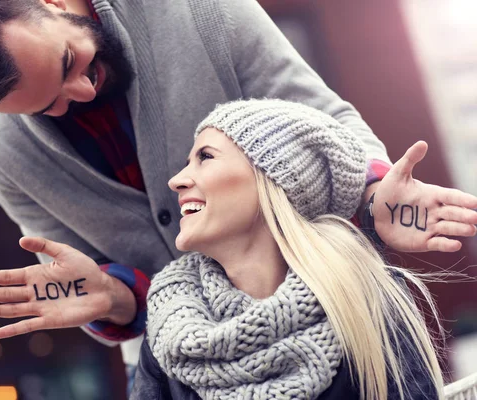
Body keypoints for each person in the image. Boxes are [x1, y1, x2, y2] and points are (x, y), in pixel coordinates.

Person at [0, 0, 477, 384]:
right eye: (49, 105)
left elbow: (325, 122)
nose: (80, 92)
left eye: (70, 63)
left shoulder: (196, 7)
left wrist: (376, 197)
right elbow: (96, 276)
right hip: (180, 370)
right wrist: (112, 298)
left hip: (329, 320)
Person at [132, 99, 445, 399]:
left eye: (206, 157)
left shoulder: (365, 298)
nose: (176, 181)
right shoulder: (169, 326)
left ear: (274, 180)